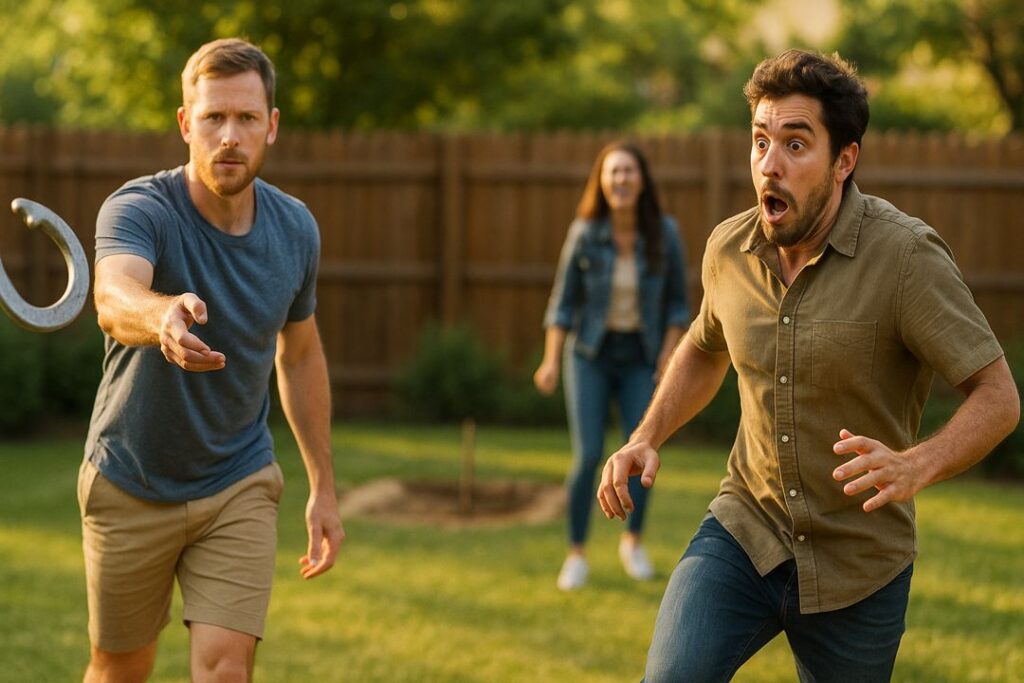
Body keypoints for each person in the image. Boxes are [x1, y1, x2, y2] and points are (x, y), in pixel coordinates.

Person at [597, 49, 1019, 681]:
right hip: (746, 530)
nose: (770, 164)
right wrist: (646, 436)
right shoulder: (729, 250)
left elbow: (997, 394)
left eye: (796, 144)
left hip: (860, 564)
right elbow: (705, 345)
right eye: (761, 141)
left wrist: (915, 464)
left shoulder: (905, 258)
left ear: (844, 160)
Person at [79, 38, 345, 682]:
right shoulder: (141, 207)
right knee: (121, 668)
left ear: (271, 126)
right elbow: (113, 293)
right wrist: (161, 315)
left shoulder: (295, 228)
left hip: (238, 480)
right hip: (130, 476)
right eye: (213, 118)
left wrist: (323, 486)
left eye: (247, 118)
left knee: (227, 669)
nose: (230, 135)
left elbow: (301, 353)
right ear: (184, 123)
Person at [535, 141, 689, 591]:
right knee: (587, 457)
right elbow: (561, 306)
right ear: (601, 182)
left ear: (641, 180)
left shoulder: (665, 233)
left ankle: (633, 542)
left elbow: (679, 306)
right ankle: (577, 553)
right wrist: (549, 362)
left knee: (640, 453)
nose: (621, 179)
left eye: (628, 171)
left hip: (642, 358)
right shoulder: (584, 233)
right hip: (590, 357)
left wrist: (667, 354)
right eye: (612, 172)